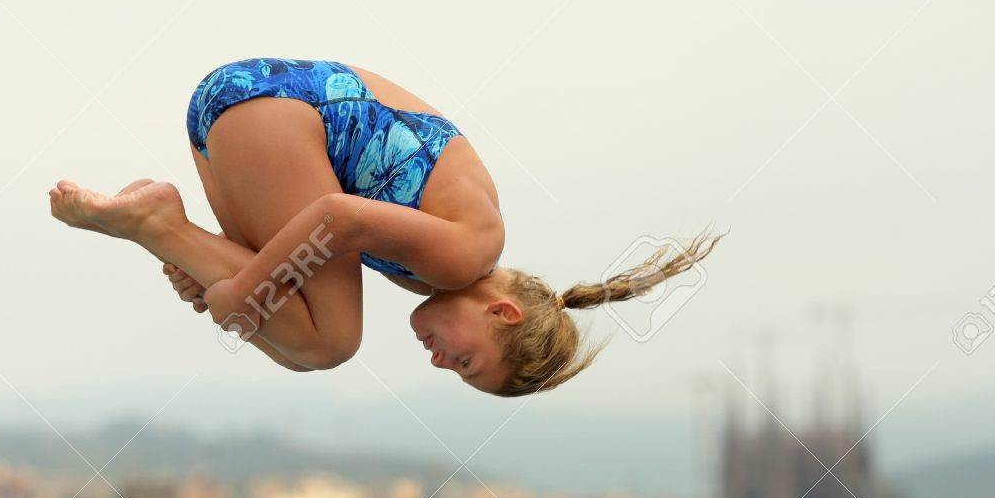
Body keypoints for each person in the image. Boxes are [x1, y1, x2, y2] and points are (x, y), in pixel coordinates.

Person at [49, 58, 719, 395]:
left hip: (241, 104)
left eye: (452, 370)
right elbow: (339, 216)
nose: (438, 360)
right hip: (275, 113)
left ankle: (164, 229)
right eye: (464, 359)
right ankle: (159, 224)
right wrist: (249, 286)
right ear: (505, 312)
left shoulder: (445, 265)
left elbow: (309, 231)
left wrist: (221, 278)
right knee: (330, 341)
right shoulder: (465, 254)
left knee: (298, 336)